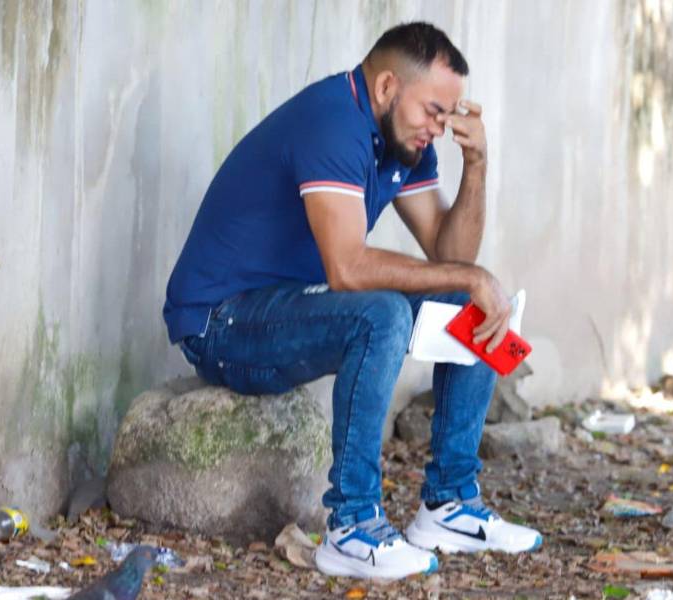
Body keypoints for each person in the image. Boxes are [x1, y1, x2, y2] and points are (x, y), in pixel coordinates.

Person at [163, 21, 541, 580]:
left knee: (466, 300)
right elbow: (347, 268)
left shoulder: (401, 140)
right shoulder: (333, 122)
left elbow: (448, 256)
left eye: (450, 114)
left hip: (288, 305)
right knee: (381, 313)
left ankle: (449, 505)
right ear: (388, 87)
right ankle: (352, 526)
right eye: (433, 111)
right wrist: (470, 274)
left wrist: (478, 167)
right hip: (222, 321)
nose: (440, 128)